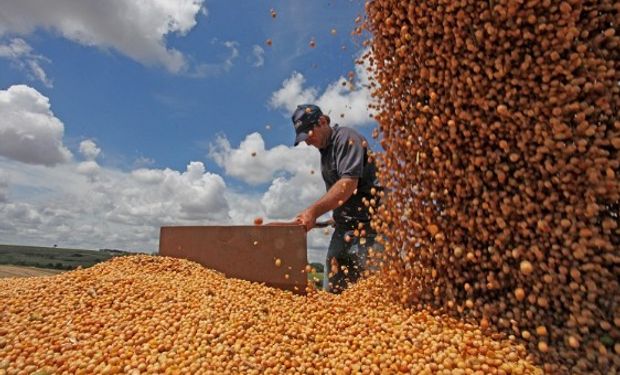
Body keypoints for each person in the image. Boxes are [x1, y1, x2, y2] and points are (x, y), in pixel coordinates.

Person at [291, 104, 383, 293]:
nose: (307, 142)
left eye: (309, 134)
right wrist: (336, 215)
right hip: (345, 228)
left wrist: (312, 211)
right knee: (331, 294)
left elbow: (348, 184)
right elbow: (344, 194)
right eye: (303, 138)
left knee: (373, 294)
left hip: (373, 227)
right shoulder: (325, 152)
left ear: (322, 122)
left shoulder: (346, 138)